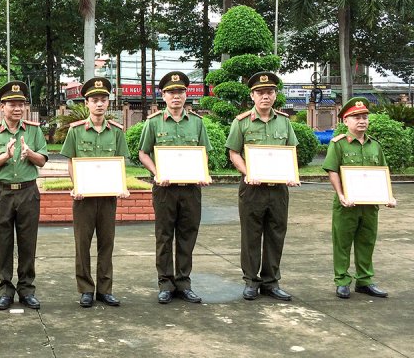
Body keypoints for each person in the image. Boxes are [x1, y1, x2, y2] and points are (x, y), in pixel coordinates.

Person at [225, 71, 300, 302]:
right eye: (260, 92)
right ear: (252, 95)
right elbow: (233, 152)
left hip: (278, 189)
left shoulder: (285, 122)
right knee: (251, 234)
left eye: (269, 92)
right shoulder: (242, 122)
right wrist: (249, 172)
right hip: (252, 188)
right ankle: (251, 281)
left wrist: (291, 173)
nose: (265, 96)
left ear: (275, 95)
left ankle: (271, 281)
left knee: (276, 233)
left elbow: (291, 151)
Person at [138, 72, 212, 304]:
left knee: (187, 235)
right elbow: (143, 153)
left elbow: (204, 152)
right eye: (171, 92)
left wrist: (203, 172)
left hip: (191, 189)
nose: (176, 96)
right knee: (164, 235)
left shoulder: (197, 123)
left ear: (186, 94)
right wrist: (157, 173)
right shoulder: (154, 122)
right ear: (163, 95)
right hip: (165, 189)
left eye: (180, 92)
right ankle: (165, 283)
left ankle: (183, 282)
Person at [0, 80, 48, 310]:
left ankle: (27, 289)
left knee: (28, 243)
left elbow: (43, 160)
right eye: (12, 104)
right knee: (2, 242)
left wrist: (30, 154)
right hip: (2, 193)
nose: (17, 109)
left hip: (28, 191)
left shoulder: (34, 130)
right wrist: (5, 157)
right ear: (2, 107)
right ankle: (6, 289)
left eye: (21, 104)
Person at [60, 77, 129, 308]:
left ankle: (105, 290)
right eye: (94, 100)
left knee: (106, 243)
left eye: (103, 100)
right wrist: (76, 184)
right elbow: (71, 162)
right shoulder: (76, 131)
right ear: (87, 103)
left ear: (108, 103)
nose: (99, 104)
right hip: (84, 198)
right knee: (82, 244)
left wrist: (121, 186)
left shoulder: (117, 132)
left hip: (108, 198)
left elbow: (120, 162)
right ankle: (86, 289)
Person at [323, 97, 397, 299]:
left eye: (364, 116)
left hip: (370, 205)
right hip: (347, 204)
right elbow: (332, 171)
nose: (362, 120)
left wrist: (388, 196)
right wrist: (340, 195)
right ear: (345, 121)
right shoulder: (338, 144)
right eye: (356, 117)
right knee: (342, 242)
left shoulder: (375, 146)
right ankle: (342, 281)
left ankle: (364, 281)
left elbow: (383, 173)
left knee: (367, 242)